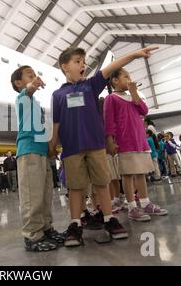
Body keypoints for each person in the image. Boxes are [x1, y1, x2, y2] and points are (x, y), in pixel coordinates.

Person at [50, 47, 157, 245]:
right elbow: (56, 123)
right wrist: (53, 144)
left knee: (102, 183)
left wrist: (133, 54)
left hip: (95, 145)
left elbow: (111, 67)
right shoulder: (57, 95)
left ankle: (109, 218)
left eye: (83, 61)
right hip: (71, 149)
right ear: (64, 66)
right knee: (75, 187)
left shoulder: (91, 85)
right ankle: (75, 224)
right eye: (77, 61)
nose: (83, 64)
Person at [11, 65, 64, 252]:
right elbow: (29, 90)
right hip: (29, 151)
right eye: (29, 75)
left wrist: (51, 147)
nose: (35, 77)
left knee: (44, 195)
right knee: (32, 196)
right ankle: (32, 235)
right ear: (19, 83)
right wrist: (33, 85)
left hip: (41, 151)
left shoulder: (35, 104)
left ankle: (46, 228)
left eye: (35, 74)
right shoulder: (22, 98)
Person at [104, 68, 168, 222]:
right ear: (115, 80)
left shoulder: (133, 97)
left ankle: (145, 203)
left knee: (141, 173)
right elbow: (109, 121)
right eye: (126, 76)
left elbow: (144, 111)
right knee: (127, 175)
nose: (129, 79)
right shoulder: (111, 98)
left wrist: (134, 93)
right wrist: (110, 141)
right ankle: (132, 206)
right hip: (125, 142)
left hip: (140, 141)